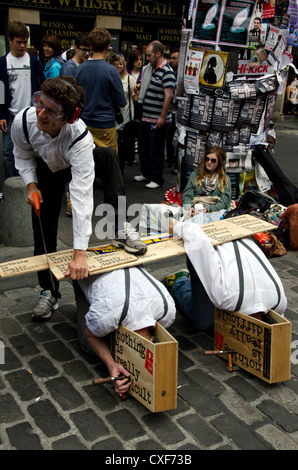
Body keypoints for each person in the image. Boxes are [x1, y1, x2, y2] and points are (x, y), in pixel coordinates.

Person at [11, 76, 94, 320]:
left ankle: (121, 230)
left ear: (68, 117)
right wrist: (31, 185)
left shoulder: (80, 138)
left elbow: (81, 198)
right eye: (40, 103)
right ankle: (49, 291)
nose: (41, 114)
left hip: (72, 161)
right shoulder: (23, 121)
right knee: (43, 229)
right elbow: (22, 154)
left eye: (51, 111)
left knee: (109, 160)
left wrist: (79, 253)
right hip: (45, 168)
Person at [161, 220, 287, 331]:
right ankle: (181, 281)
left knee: (206, 320)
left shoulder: (280, 303)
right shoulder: (226, 297)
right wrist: (177, 227)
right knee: (202, 320)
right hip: (215, 247)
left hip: (235, 248)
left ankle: (185, 283)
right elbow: (197, 241)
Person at [74, 266, 176, 397]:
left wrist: (112, 365)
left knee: (102, 333)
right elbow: (90, 334)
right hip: (89, 270)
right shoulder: (106, 316)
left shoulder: (167, 313)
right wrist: (111, 364)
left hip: (129, 275)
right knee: (89, 346)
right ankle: (79, 286)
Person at [0, 21, 44, 180]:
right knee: (8, 152)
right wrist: (1, 114)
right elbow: (0, 89)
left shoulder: (34, 61)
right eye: (19, 42)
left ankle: (32, 181)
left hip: (31, 114)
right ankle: (13, 184)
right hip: (11, 114)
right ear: (10, 40)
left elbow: (42, 86)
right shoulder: (3, 62)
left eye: (25, 42)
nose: (23, 45)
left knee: (34, 150)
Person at [75, 27, 126, 153]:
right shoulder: (111, 71)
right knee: (108, 164)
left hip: (85, 124)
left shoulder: (80, 69)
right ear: (108, 46)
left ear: (91, 45)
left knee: (87, 161)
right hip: (105, 125)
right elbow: (122, 101)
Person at [134, 40, 176, 189]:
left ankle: (157, 179)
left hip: (157, 118)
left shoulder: (167, 72)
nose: (147, 58)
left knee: (156, 150)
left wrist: (162, 117)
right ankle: (146, 173)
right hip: (146, 116)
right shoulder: (150, 70)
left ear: (158, 54)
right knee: (144, 148)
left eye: (149, 55)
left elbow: (168, 97)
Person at [181, 146, 231, 213]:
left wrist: (208, 209)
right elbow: (186, 195)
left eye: (213, 160)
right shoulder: (196, 175)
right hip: (195, 209)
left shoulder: (224, 179)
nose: (209, 162)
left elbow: (224, 202)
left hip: (215, 211)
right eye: (207, 159)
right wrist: (190, 207)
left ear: (219, 162)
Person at [109, 53, 137, 172]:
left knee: (122, 145)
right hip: (111, 116)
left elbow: (134, 97)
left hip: (125, 116)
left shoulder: (129, 78)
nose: (119, 66)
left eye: (121, 64)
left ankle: (120, 170)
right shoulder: (109, 76)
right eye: (116, 64)